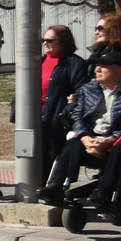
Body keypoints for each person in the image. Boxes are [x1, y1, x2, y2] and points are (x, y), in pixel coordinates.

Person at [37, 50, 121, 209]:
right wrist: (85, 137)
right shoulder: (89, 88)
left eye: (104, 66)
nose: (97, 70)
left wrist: (112, 138)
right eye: (97, 66)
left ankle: (103, 193)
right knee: (73, 143)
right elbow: (77, 115)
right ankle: (55, 187)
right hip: (93, 136)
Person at [40, 25, 90, 172]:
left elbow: (82, 89)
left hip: (55, 119)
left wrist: (68, 109)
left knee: (52, 157)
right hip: (35, 119)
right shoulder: (38, 61)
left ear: (63, 42)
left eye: (50, 40)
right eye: (44, 39)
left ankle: (53, 189)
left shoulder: (74, 63)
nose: (45, 43)